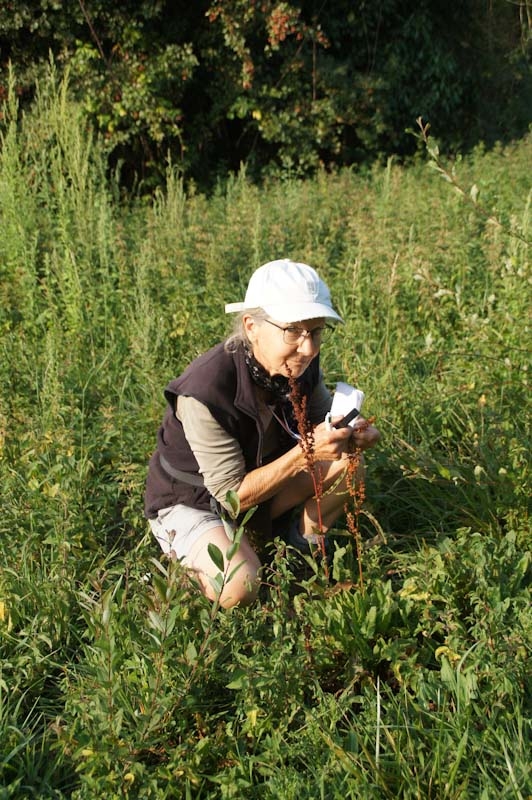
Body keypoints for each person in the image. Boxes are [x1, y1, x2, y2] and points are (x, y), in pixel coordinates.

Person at [144, 259, 380, 607]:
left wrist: (354, 435)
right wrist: (306, 454)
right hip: (197, 500)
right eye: (294, 331)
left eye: (316, 332)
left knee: (348, 466)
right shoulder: (205, 391)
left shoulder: (300, 363)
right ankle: (184, 572)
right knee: (239, 588)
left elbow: (322, 420)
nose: (309, 347)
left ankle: (299, 558)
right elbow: (230, 497)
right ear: (251, 326)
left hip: (262, 482)